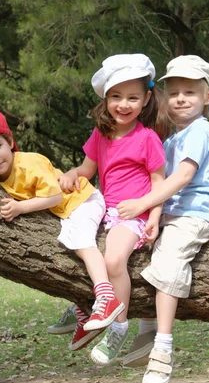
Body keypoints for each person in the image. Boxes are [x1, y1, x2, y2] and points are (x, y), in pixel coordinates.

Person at [0, 104, 124, 352]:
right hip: (65, 213)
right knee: (67, 254)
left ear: (10, 141)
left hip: (82, 201)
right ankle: (84, 310)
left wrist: (20, 208)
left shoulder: (28, 164)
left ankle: (106, 297)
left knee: (82, 243)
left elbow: (55, 197)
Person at [116, 55, 209, 383]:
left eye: (190, 92)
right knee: (139, 256)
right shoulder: (171, 139)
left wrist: (143, 204)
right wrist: (152, 216)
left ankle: (163, 347)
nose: (180, 98)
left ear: (207, 97)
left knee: (169, 261)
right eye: (174, 91)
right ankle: (146, 331)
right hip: (170, 214)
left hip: (195, 214)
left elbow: (182, 177)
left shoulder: (199, 131)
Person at [58, 53, 170, 366]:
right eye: (116, 97)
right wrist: (71, 175)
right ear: (106, 98)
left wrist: (155, 219)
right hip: (106, 211)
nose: (124, 104)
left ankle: (118, 325)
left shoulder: (147, 139)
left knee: (113, 259)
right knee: (75, 244)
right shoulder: (101, 134)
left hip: (135, 214)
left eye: (133, 98)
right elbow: (86, 169)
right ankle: (81, 312)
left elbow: (159, 184)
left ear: (146, 98)